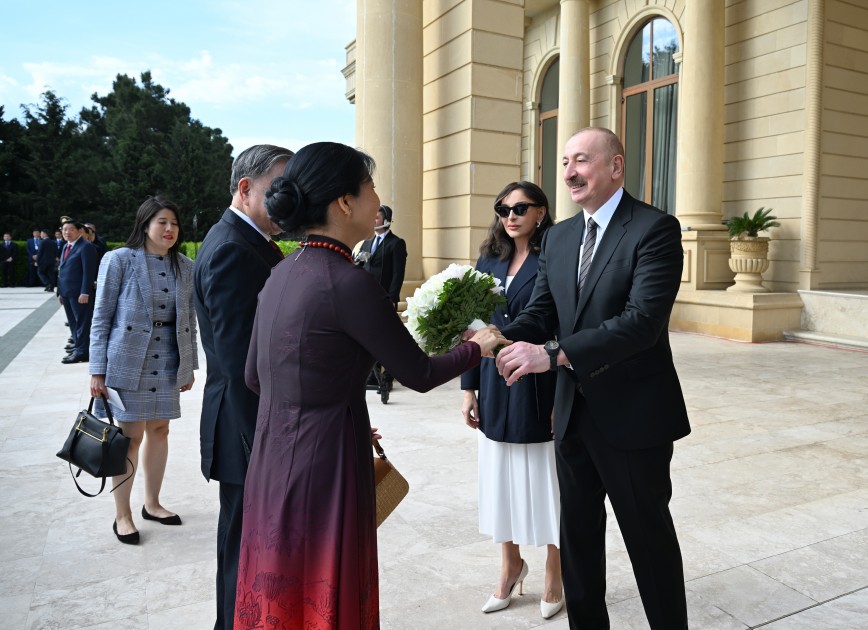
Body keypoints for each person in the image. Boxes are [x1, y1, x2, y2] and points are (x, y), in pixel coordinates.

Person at [233, 142, 505, 629]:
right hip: (326, 460)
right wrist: (477, 346)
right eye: (371, 187)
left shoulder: (281, 271)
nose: (377, 199)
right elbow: (419, 374)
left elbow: (255, 375)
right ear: (344, 202)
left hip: (272, 453)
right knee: (325, 584)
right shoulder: (348, 281)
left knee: (279, 583)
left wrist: (326, 398)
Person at [494, 127, 691, 629]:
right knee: (577, 540)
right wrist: (487, 334)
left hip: (634, 418)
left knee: (648, 541)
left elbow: (642, 323)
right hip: (572, 415)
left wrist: (552, 354)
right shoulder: (558, 237)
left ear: (615, 167)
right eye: (564, 162)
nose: (569, 172)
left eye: (581, 160)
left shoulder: (654, 229)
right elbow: (541, 312)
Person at [193, 143, 293, 630]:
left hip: (246, 423)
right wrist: (272, 436)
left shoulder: (248, 239)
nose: (287, 200)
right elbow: (239, 363)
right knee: (241, 552)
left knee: (248, 547)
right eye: (279, 189)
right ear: (246, 188)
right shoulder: (233, 247)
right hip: (245, 427)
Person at [460, 181, 563, 619]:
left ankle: (556, 573)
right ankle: (510, 564)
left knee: (547, 482)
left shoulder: (555, 257)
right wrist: (469, 386)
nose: (511, 215)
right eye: (503, 207)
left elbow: (560, 322)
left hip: (540, 378)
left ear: (541, 212)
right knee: (499, 476)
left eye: (521, 207)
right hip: (492, 377)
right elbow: (472, 325)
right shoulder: (488, 259)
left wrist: (565, 393)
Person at [89, 196, 198, 545]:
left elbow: (189, 322)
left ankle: (153, 503)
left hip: (167, 359)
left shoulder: (186, 266)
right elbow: (101, 316)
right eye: (162, 222)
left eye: (175, 223)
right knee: (130, 437)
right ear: (145, 224)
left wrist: (188, 366)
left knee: (161, 430)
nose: (169, 229)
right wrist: (97, 370)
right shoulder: (119, 260)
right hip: (127, 360)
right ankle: (123, 514)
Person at [57, 219, 97, 363]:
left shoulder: (85, 247)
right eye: (64, 229)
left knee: (82, 323)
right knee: (73, 322)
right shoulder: (65, 246)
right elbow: (61, 270)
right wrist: (59, 292)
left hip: (79, 293)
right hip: (66, 292)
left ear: (79, 231)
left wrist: (85, 292)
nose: (67, 232)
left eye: (70, 229)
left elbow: (88, 272)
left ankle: (82, 352)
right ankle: (78, 347)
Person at [359, 205, 407, 307]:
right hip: (365, 294)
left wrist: (392, 298)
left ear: (386, 221)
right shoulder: (367, 241)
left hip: (385, 297)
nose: (372, 220)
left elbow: (398, 273)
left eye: (376, 218)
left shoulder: (396, 243)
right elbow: (360, 266)